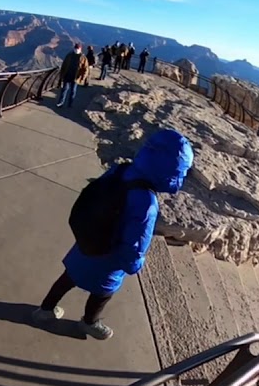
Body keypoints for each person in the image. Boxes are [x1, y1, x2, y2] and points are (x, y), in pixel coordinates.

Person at [32, 129, 194, 339]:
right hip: (110, 255)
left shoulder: (123, 169)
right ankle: (89, 322)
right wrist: (134, 265)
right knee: (103, 292)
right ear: (170, 171)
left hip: (89, 239)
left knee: (69, 277)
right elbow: (137, 242)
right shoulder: (146, 203)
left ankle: (45, 310)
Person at [56, 43, 85, 109]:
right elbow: (64, 65)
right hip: (67, 75)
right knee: (64, 89)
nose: (76, 50)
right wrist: (62, 75)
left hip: (75, 77)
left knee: (73, 91)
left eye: (78, 49)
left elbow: (85, 68)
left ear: (80, 49)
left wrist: (82, 77)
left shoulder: (83, 58)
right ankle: (61, 102)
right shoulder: (69, 55)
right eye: (76, 48)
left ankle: (70, 104)